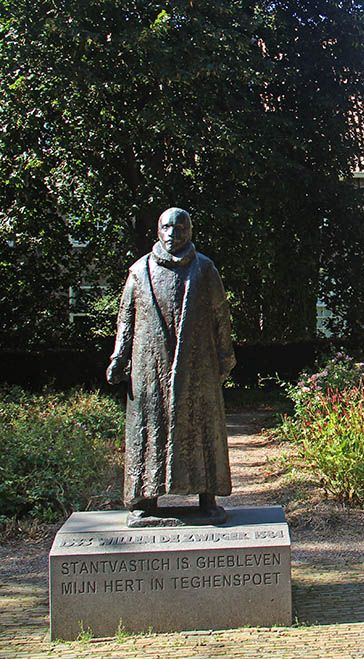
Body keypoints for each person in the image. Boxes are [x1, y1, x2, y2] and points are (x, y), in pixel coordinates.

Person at [107, 207, 235, 526]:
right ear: (157, 231)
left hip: (198, 365)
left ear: (189, 232)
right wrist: (118, 358)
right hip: (149, 368)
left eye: (179, 228)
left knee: (202, 426)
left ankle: (207, 496)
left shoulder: (204, 269)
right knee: (148, 429)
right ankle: (145, 499)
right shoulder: (139, 271)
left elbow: (221, 316)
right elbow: (126, 319)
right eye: (166, 227)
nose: (172, 234)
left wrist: (225, 357)